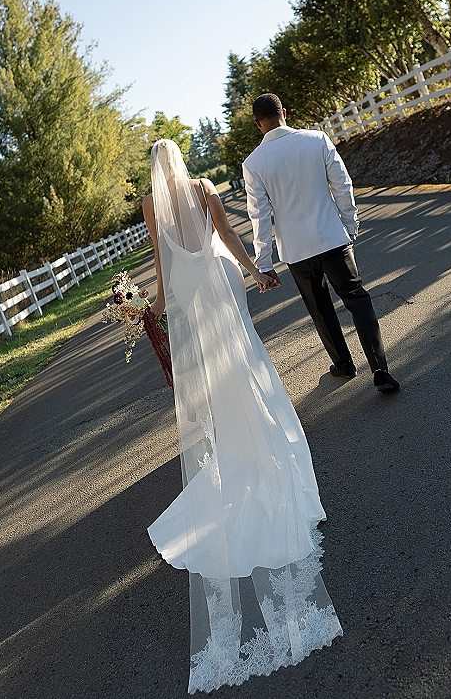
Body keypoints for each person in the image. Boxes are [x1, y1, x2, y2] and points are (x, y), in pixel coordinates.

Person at [143, 139, 342, 694]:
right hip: (214, 282)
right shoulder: (204, 190)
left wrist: (153, 303)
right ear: (182, 162)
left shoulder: (150, 203)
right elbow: (227, 239)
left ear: (155, 172)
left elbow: (161, 256)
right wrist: (256, 271)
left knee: (204, 378)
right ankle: (258, 443)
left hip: (185, 291)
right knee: (244, 364)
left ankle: (225, 444)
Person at [242, 93, 399, 393]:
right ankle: (380, 369)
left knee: (320, 308)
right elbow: (342, 184)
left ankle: (343, 364)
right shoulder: (317, 140)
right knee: (358, 300)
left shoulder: (253, 164)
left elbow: (259, 216)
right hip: (332, 237)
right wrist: (350, 223)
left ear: (257, 124)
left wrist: (264, 262)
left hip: (297, 250)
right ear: (284, 112)